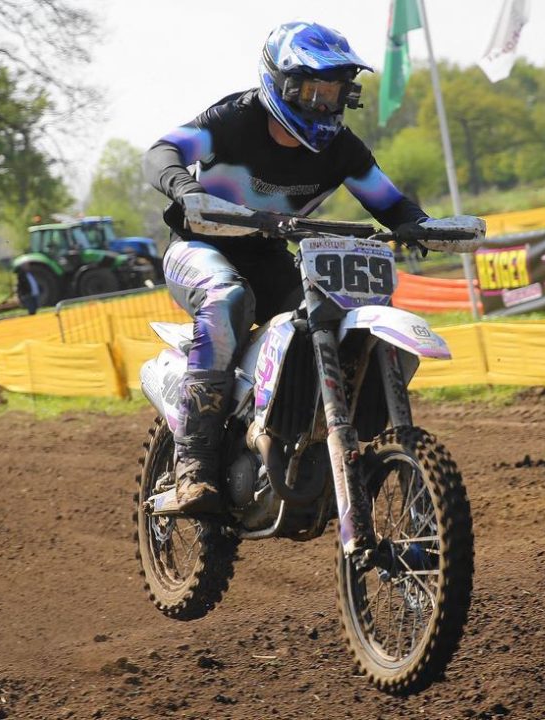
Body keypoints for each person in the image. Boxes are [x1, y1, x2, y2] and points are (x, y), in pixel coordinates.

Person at [143, 21, 457, 516]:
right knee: (227, 297)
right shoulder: (234, 120)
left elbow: (391, 203)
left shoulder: (342, 148)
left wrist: (423, 227)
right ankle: (194, 466)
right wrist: (185, 188)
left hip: (269, 256)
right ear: (282, 82)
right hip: (198, 248)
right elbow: (162, 151)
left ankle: (308, 437)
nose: (322, 104)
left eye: (334, 92)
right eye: (313, 90)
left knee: (329, 318)